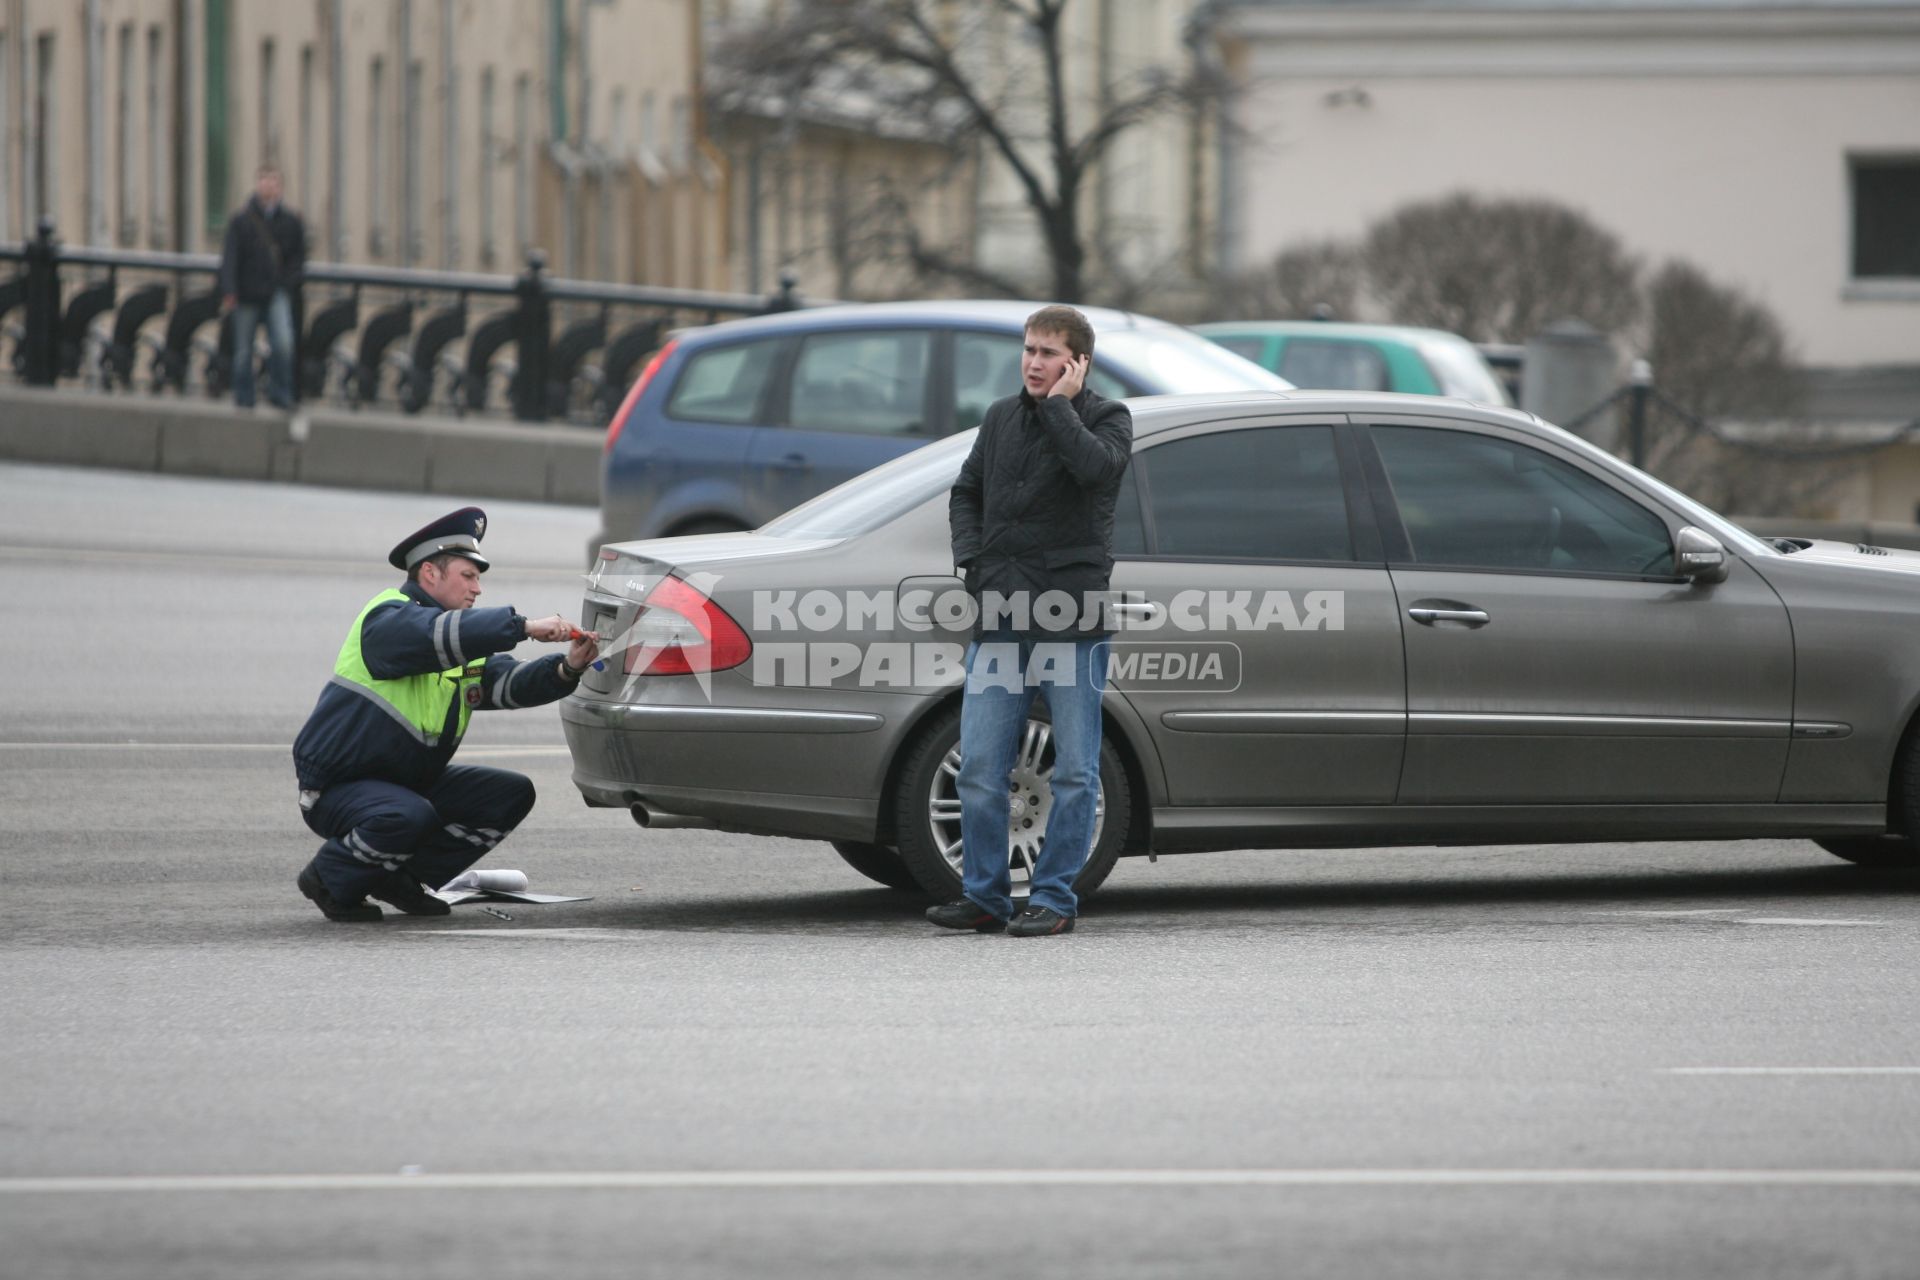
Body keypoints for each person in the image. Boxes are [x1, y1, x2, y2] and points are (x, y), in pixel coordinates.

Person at [291, 506, 601, 922]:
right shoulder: (387, 619)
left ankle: (398, 879)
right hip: (339, 790)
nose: (477, 590)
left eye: (478, 579)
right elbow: (430, 637)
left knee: (509, 794)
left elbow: (507, 684)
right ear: (429, 574)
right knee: (407, 815)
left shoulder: (454, 642)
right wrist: (524, 627)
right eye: (468, 576)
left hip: (402, 785)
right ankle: (328, 879)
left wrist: (569, 667)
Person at [930, 305, 1133, 938]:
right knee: (982, 766)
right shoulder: (999, 417)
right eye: (1028, 350)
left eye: (1048, 353)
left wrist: (1059, 408)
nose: (1033, 363)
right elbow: (967, 491)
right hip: (1000, 614)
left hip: (1071, 616)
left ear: (1078, 363)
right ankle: (986, 896)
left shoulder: (1107, 418)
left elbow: (1096, 470)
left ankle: (1053, 898)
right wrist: (973, 560)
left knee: (1076, 768)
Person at [217, 164, 306, 410]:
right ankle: (244, 395)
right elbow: (230, 258)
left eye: (273, 182)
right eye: (264, 181)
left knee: (284, 343)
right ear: (257, 185)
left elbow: (297, 259)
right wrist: (229, 291)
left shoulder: (290, 222)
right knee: (243, 350)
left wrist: (287, 284)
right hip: (246, 293)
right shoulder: (241, 221)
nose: (268, 187)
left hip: (276, 292)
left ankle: (280, 392)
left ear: (280, 187)